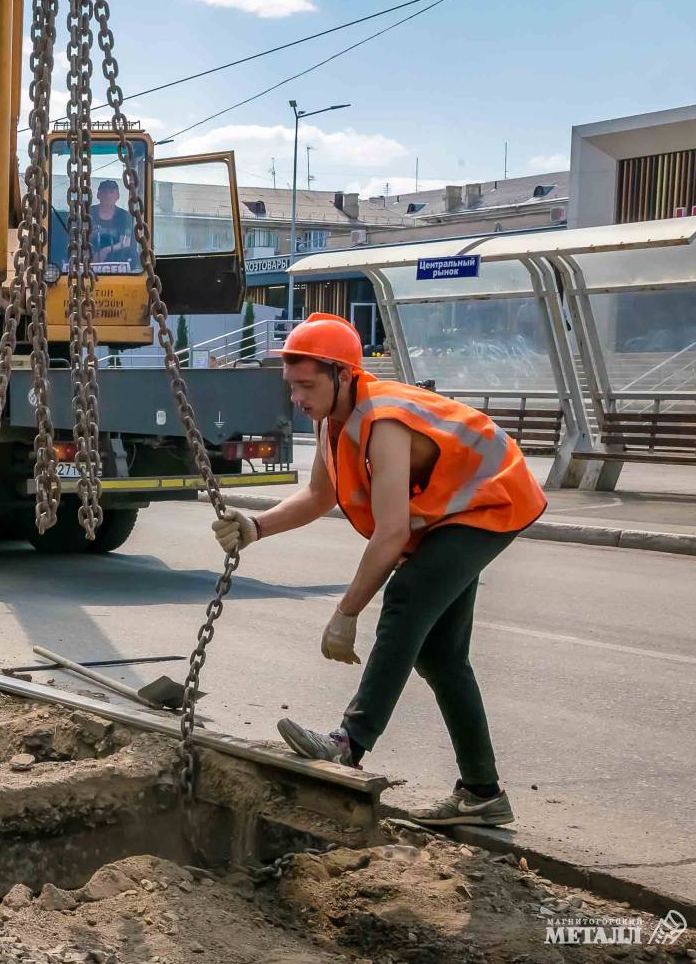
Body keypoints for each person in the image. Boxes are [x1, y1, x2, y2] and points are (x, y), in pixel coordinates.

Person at [212, 313, 545, 827]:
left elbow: (391, 533)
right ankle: (482, 793)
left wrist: (346, 613)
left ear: (343, 375)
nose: (297, 399)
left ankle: (350, 742)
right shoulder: (331, 421)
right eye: (291, 387)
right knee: (440, 657)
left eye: (306, 386)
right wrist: (256, 526)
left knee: (407, 597)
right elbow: (318, 495)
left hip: (491, 501)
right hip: (450, 513)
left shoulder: (383, 421)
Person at [89, 179, 137, 269]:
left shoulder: (124, 216)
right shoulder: (88, 213)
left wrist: (105, 250)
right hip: (90, 259)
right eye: (104, 192)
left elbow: (126, 242)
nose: (108, 196)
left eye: (111, 192)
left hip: (118, 260)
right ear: (98, 195)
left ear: (117, 196)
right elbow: (81, 238)